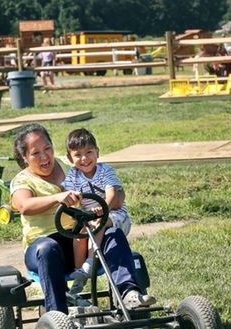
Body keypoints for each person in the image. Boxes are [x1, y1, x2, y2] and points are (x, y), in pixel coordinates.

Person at [9, 123, 155, 314]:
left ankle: (129, 295)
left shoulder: (72, 166)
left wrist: (114, 198)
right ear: (24, 157)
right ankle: (58, 313)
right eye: (36, 153)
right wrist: (56, 197)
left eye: (47, 149)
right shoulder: (22, 180)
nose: (44, 156)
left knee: (113, 234)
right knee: (48, 248)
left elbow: (112, 190)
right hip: (44, 248)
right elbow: (24, 206)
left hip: (83, 240)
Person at [61, 128, 131, 295]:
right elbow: (70, 196)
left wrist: (104, 208)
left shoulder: (104, 170)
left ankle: (91, 261)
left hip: (115, 215)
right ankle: (80, 274)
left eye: (89, 152)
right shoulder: (73, 175)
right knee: (79, 234)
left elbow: (112, 193)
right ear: (70, 158)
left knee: (98, 223)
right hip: (90, 217)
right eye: (78, 155)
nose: (84, 158)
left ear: (97, 153)